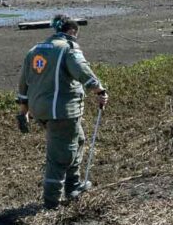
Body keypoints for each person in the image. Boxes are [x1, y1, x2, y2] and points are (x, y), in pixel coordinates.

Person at [17, 14, 109, 210]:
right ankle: (51, 203)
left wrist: (23, 110)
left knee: (79, 140)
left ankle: (73, 186)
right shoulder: (68, 49)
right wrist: (99, 90)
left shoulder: (34, 50)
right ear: (72, 31)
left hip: (40, 109)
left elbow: (23, 82)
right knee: (60, 156)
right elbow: (82, 71)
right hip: (61, 111)